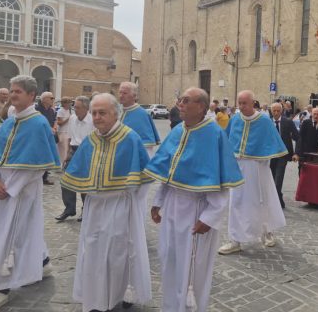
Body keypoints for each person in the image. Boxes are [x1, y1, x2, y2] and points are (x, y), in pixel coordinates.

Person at [144, 87, 243, 312]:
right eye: (180, 100)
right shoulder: (179, 130)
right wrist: (158, 201)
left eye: (186, 101)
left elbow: (220, 181)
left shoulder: (214, 134)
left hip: (197, 210)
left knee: (193, 268)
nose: (180, 104)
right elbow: (168, 171)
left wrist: (210, 217)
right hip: (171, 207)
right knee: (169, 260)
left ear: (201, 106)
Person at [0, 75, 61, 312]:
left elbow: (37, 167)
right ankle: (42, 263)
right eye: (11, 91)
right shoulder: (9, 121)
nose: (12, 95)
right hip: (1, 188)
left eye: (17, 92)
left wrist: (9, 189)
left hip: (22, 193)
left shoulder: (39, 123)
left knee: (8, 237)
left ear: (31, 95)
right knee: (11, 232)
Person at [62, 93, 152, 311]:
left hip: (120, 206)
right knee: (92, 251)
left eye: (102, 112)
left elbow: (144, 179)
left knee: (117, 254)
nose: (97, 117)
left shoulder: (130, 138)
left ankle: (117, 296)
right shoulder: (91, 140)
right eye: (94, 113)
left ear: (115, 113)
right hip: (94, 207)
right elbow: (79, 173)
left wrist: (132, 206)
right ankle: (96, 298)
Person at [218, 90, 288, 255]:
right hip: (238, 167)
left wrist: (262, 158)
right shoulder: (235, 119)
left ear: (253, 103)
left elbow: (272, 144)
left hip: (258, 168)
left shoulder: (263, 120)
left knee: (262, 200)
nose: (241, 107)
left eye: (245, 103)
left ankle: (267, 231)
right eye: (239, 103)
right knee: (235, 202)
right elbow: (227, 141)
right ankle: (235, 239)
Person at [56, 96, 95, 222]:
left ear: (86, 108)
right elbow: (69, 136)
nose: (75, 109)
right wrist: (67, 153)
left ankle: (86, 209)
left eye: (77, 107)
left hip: (88, 151)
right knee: (66, 180)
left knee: (85, 182)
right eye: (74, 106)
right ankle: (69, 208)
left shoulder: (93, 120)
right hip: (74, 150)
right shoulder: (72, 118)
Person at [268, 103, 300, 209]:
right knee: (271, 178)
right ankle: (279, 199)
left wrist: (296, 153)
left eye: (278, 111)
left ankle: (275, 204)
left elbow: (297, 137)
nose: (276, 113)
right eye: (274, 111)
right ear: (271, 111)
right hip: (270, 155)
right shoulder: (267, 122)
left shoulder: (288, 122)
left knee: (278, 179)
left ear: (281, 111)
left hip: (283, 155)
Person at [118, 82, 160, 157]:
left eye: (124, 93)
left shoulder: (142, 114)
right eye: (120, 92)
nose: (121, 96)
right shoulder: (115, 111)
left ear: (134, 96)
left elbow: (147, 148)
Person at [35, 91, 58, 186]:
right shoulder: (37, 109)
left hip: (49, 137)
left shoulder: (51, 110)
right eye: (51, 98)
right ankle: (38, 177)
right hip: (40, 137)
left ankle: (44, 176)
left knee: (47, 156)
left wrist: (54, 127)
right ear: (44, 99)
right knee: (40, 157)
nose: (53, 100)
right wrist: (49, 129)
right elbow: (37, 122)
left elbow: (54, 120)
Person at [56, 97, 73, 164]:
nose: (70, 104)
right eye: (69, 102)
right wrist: (68, 119)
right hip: (62, 132)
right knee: (62, 150)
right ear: (64, 103)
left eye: (70, 102)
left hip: (68, 132)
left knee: (67, 150)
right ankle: (60, 164)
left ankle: (63, 164)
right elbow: (59, 123)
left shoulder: (69, 110)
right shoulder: (60, 111)